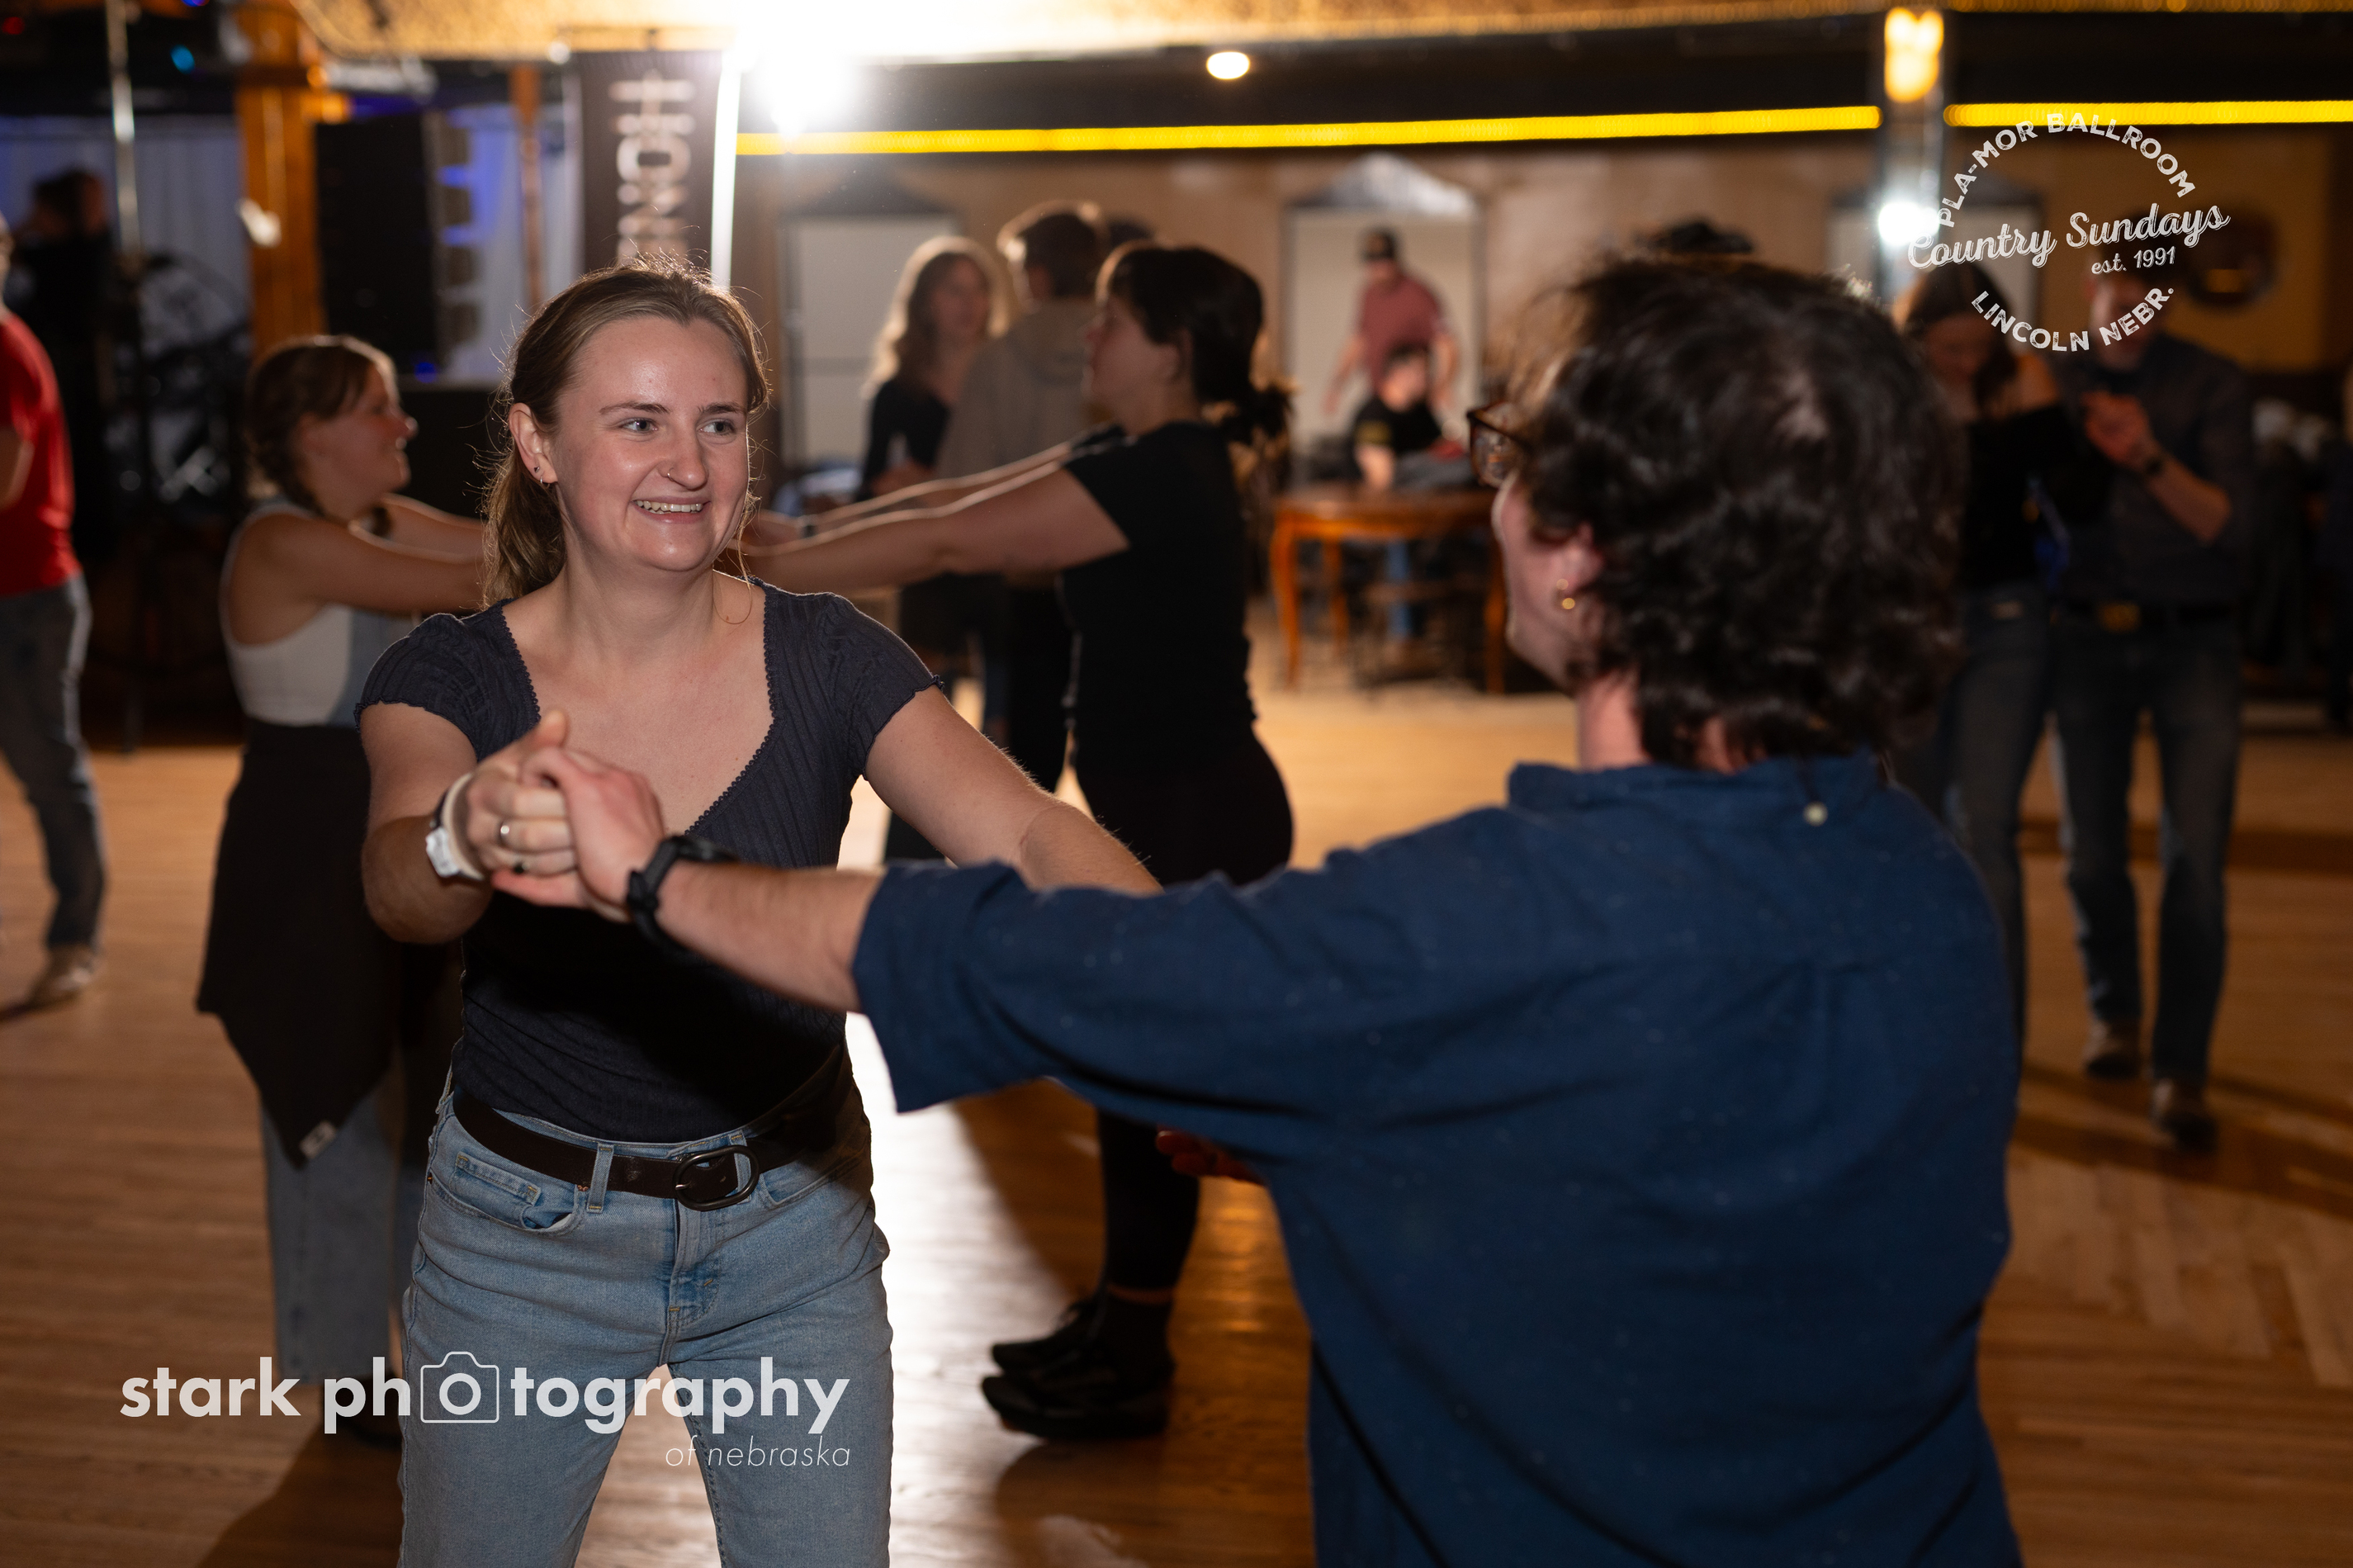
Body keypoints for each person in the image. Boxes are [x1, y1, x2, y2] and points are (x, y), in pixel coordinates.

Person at [510, 255, 2022, 1566]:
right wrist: (1372, 1117)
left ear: (1585, 551)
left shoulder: (1471, 933)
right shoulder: (1921, 881)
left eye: (1517, 456)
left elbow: (991, 949)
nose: (1500, 491)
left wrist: (658, 875)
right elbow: (1679, 1179)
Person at [355, 258, 1150, 1561]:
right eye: (638, 421)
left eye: (719, 422)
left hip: (792, 1227)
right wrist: (464, 831)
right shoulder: (453, 673)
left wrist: (1196, 968)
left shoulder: (827, 651)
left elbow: (1022, 830)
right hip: (523, 1244)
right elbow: (398, 885)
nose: (688, 462)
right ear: (537, 444)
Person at [745, 242, 1296, 1441]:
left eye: (1112, 321)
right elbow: (949, 504)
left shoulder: (1169, 467)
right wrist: (803, 533)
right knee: (1125, 1081)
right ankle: (1119, 1317)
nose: (1087, 336)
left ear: (1172, 350)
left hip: (1200, 809)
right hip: (1162, 799)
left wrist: (767, 568)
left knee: (1148, 1085)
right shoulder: (1125, 451)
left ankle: (1133, 1348)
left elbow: (957, 548)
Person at [196, 335, 485, 1443]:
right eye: (378, 407)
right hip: (305, 854)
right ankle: (350, 1377)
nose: (404, 425)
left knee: (421, 1104)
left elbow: (494, 544)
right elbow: (475, 579)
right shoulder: (283, 542)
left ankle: (422, 1347)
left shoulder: (370, 521)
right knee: (336, 1109)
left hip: (390, 833)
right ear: (313, 434)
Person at [2048, 247, 2256, 1152]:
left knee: (2195, 862)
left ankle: (2181, 1068)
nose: (2130, 303)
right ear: (2092, 286)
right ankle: (2116, 1017)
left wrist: (2147, 457)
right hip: (2083, 636)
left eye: (2149, 290)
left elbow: (2230, 526)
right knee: (2091, 853)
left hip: (2194, 637)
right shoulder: (2053, 379)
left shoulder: (2212, 383)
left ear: (2168, 301)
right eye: (2116, 285)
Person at [1891, 261, 2071, 1044]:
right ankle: (1925, 1024)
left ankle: (1998, 1039)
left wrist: (2034, 409)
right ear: (1917, 338)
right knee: (1916, 824)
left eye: (1979, 346)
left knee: (1988, 827)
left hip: (2006, 620)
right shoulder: (1893, 397)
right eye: (1949, 347)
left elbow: (2080, 499)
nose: (1965, 362)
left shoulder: (2018, 387)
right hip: (1914, 626)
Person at [0, 207, 106, 1009]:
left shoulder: (6, 348)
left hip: (27, 597)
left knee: (47, 772)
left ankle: (76, 938)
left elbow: (3, 480)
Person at [8, 170, 116, 571]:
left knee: (81, 466)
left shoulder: (75, 254)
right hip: (65, 381)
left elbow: (10, 245)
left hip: (74, 384)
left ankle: (90, 550)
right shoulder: (61, 254)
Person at [856, 237, 1005, 501]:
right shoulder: (896, 394)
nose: (970, 302)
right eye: (956, 291)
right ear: (925, 302)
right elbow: (870, 488)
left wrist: (928, 481)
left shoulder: (1008, 383)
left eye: (979, 290)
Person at [1321, 228, 1457, 419]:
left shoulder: (1418, 295)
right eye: (1373, 262)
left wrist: (1442, 385)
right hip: (1379, 395)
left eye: (1384, 261)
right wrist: (1337, 385)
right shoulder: (1368, 294)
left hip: (1412, 402)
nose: (1379, 268)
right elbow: (1358, 340)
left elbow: (1446, 344)